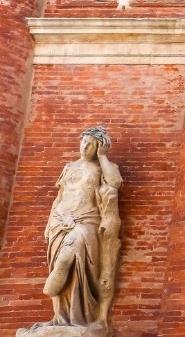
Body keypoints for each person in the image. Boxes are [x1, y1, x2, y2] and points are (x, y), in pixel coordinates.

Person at [35, 126, 122, 332]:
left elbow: (115, 182)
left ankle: (79, 314)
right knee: (60, 266)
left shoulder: (104, 167)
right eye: (83, 141)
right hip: (60, 221)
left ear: (99, 146)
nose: (85, 146)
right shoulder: (69, 167)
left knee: (68, 261)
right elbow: (59, 197)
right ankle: (61, 318)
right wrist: (50, 222)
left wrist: (102, 157)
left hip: (86, 221)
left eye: (90, 144)